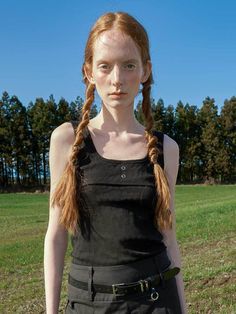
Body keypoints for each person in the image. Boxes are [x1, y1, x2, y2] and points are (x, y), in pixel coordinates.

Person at [44, 11, 187, 314]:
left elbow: (168, 237)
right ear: (89, 72)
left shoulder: (166, 149)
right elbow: (56, 234)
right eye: (105, 66)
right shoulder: (67, 141)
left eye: (129, 65)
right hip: (88, 302)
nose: (117, 80)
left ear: (145, 71)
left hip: (158, 301)